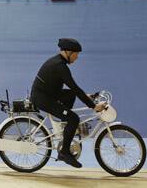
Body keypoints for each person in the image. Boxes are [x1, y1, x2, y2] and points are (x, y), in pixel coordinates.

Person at [30, 39, 107, 168]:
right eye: (76, 55)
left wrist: (87, 97)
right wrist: (93, 106)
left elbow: (72, 90)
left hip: (48, 94)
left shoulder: (58, 62)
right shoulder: (59, 66)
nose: (77, 58)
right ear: (69, 52)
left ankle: (65, 128)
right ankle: (64, 153)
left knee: (71, 98)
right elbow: (75, 87)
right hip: (43, 98)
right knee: (73, 118)